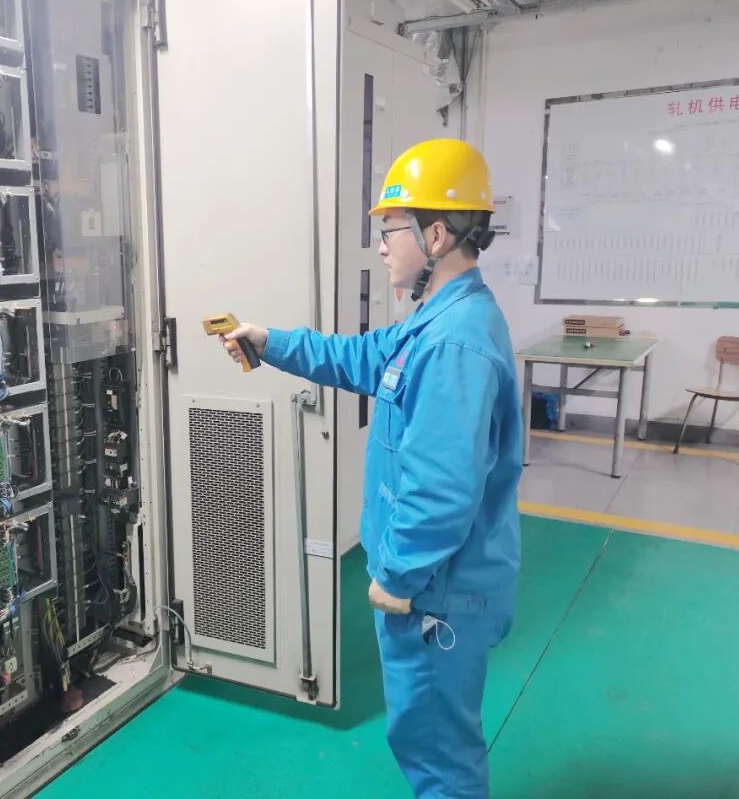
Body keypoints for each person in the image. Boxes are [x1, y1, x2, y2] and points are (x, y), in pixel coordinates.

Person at [221, 138, 522, 798]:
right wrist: (271, 342)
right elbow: (359, 358)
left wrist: (398, 575)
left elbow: (442, 488)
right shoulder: (435, 323)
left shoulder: (453, 343)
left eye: (390, 230)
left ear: (435, 235)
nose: (381, 247)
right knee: (429, 740)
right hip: (436, 584)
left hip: (434, 593)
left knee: (438, 752)